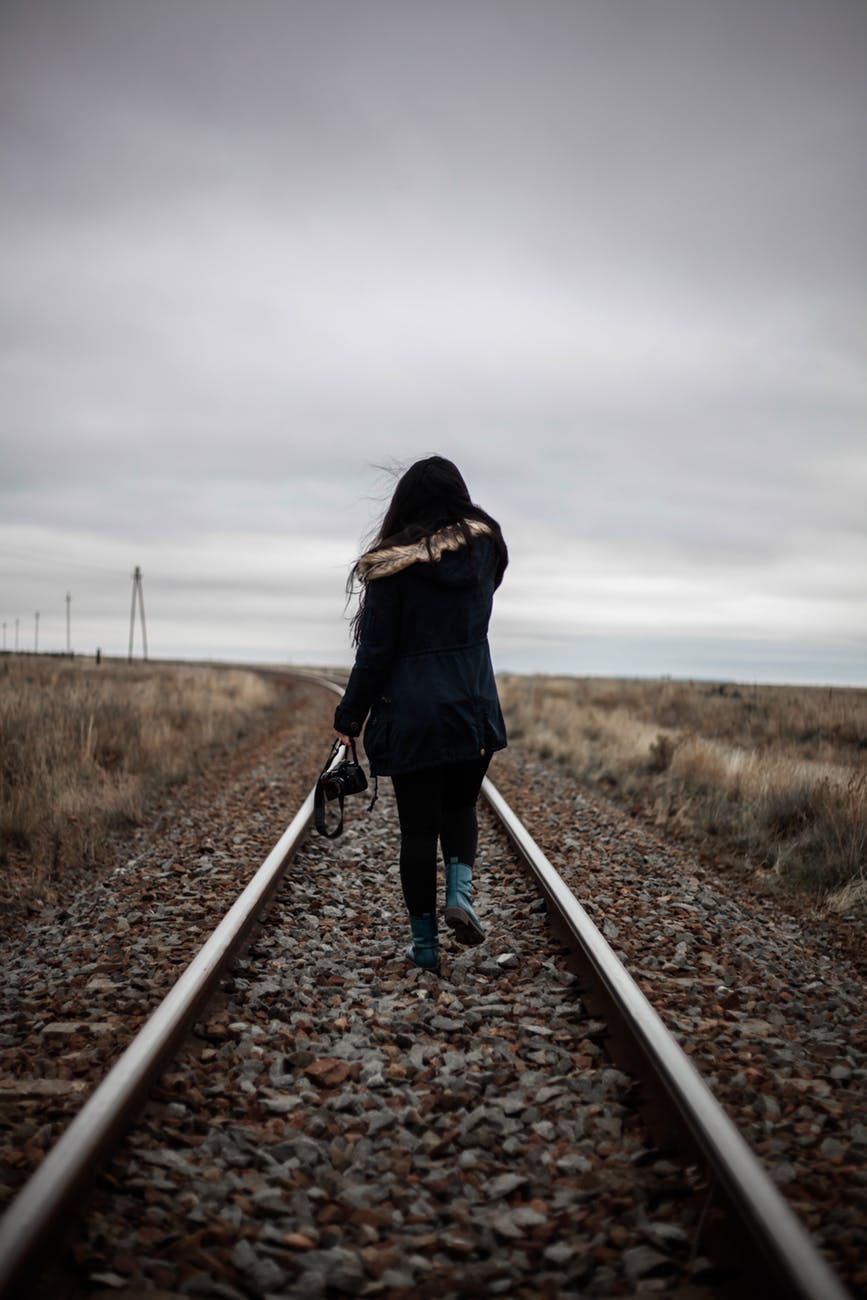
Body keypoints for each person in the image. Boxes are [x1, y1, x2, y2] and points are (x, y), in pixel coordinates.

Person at [334, 456, 508, 970]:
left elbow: (375, 655)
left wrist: (349, 719)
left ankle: (426, 946)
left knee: (417, 830)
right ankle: (461, 896)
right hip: (471, 708)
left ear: (404, 504)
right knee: (461, 808)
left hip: (411, 717)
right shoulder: (485, 554)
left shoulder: (391, 570)